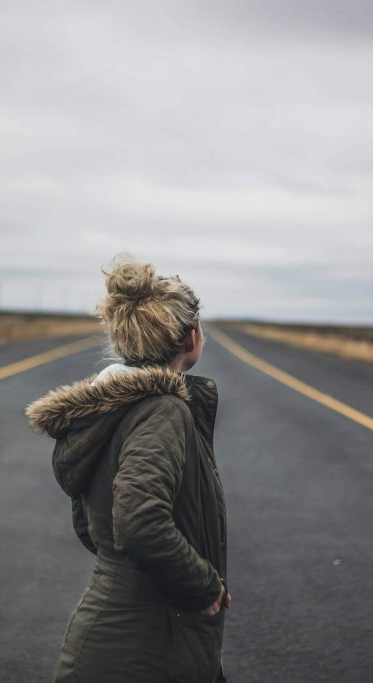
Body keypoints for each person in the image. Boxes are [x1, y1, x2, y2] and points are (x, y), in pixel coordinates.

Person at [26, 254, 231, 682]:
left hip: (117, 640)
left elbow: (90, 528)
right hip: (144, 650)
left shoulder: (110, 410)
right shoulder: (162, 410)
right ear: (191, 338)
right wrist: (204, 585)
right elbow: (138, 522)